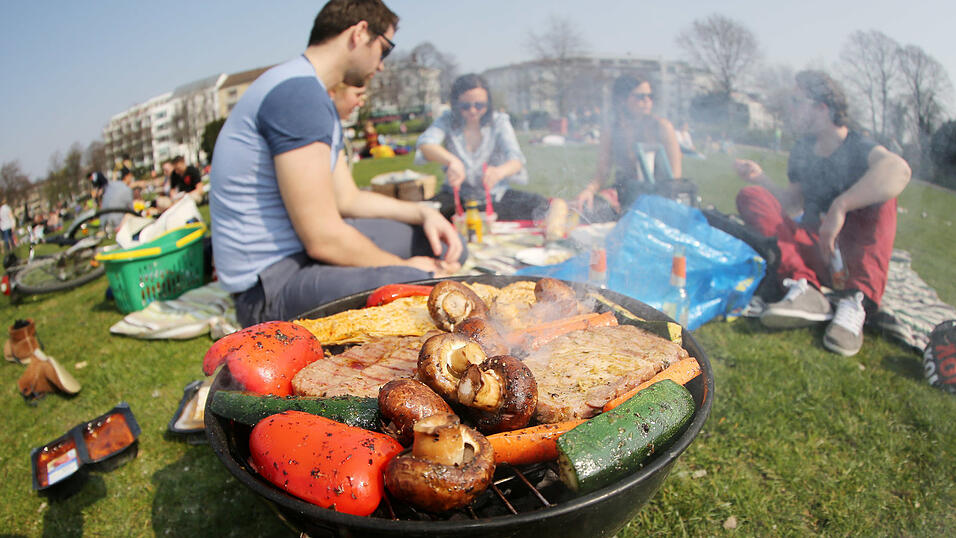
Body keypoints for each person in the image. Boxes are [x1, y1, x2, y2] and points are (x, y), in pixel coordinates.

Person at [210, 0, 464, 328]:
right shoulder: (298, 94)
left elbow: (348, 199)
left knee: (440, 244)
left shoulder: (313, 93)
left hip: (302, 256)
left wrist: (424, 213)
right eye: (384, 49)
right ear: (359, 33)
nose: (382, 65)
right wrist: (408, 270)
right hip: (268, 289)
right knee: (429, 284)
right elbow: (323, 236)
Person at [734, 70, 911, 356]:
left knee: (885, 199)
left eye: (796, 100)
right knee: (752, 197)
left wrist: (841, 206)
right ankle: (806, 288)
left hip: (854, 259)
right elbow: (791, 205)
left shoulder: (857, 146)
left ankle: (855, 301)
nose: (790, 109)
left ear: (821, 107)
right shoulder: (803, 149)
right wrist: (759, 178)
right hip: (816, 250)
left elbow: (899, 170)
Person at [415, 73, 547, 221]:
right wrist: (452, 161)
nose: (473, 111)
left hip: (496, 197)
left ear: (488, 104)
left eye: (479, 105)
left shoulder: (499, 121)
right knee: (421, 213)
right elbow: (426, 144)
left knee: (539, 205)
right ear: (455, 104)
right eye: (465, 106)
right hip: (455, 197)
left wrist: (499, 172)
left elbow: (516, 159)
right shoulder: (447, 119)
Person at [575, 74, 683, 221]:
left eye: (650, 96)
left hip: (658, 195)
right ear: (622, 99)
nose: (647, 101)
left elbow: (675, 178)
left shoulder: (662, 127)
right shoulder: (612, 129)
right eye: (640, 97)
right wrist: (589, 191)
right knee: (587, 212)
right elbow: (601, 174)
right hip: (625, 193)